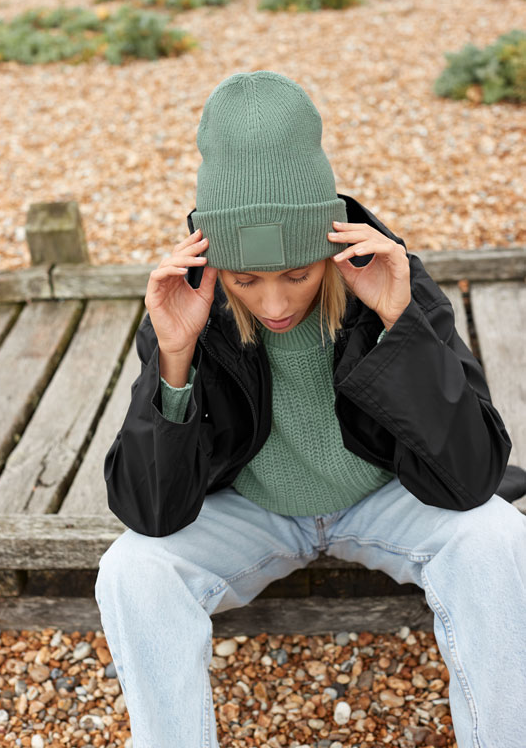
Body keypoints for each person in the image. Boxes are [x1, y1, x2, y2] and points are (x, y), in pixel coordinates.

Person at [95, 71, 526, 748]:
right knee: (131, 569)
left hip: (385, 494)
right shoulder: (188, 305)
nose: (274, 304)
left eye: (297, 273)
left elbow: (470, 478)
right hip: (254, 510)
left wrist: (401, 324)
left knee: (496, 537)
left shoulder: (390, 279)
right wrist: (174, 357)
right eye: (246, 279)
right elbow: (151, 513)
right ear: (217, 263)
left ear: (328, 245)